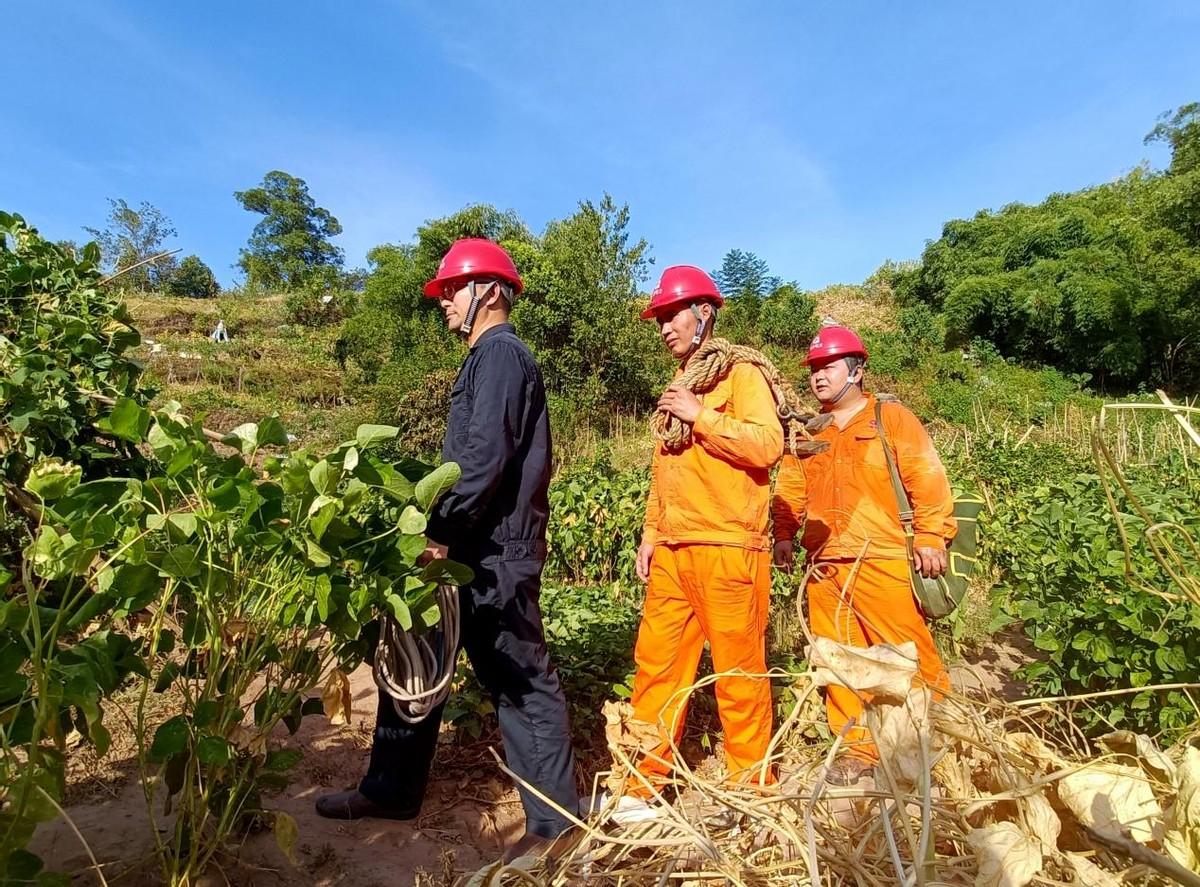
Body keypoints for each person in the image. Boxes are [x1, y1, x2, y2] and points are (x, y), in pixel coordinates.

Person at [316, 238, 579, 861]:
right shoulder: (483, 359)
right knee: (413, 666)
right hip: (468, 545)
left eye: (451, 291)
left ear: (487, 291)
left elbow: (483, 460)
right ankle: (390, 791)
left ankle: (557, 824)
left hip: (493, 551)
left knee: (517, 676)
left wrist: (440, 534)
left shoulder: (503, 357)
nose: (443, 303)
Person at [618, 265, 783, 820]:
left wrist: (702, 415)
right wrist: (650, 535)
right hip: (673, 550)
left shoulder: (740, 374)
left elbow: (767, 445)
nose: (664, 327)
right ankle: (641, 787)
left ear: (704, 313)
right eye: (659, 319)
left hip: (729, 547)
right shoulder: (680, 384)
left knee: (739, 672)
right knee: (656, 668)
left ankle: (753, 786)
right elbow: (664, 469)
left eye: (672, 315)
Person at [771, 324, 955, 784]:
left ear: (855, 371)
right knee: (838, 657)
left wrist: (932, 534)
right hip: (826, 565)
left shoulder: (889, 419)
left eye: (827, 367)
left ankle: (940, 734)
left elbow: (925, 476)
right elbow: (791, 487)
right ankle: (858, 749)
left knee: (906, 652)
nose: (817, 377)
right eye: (813, 369)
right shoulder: (809, 433)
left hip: (882, 557)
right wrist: (785, 534)